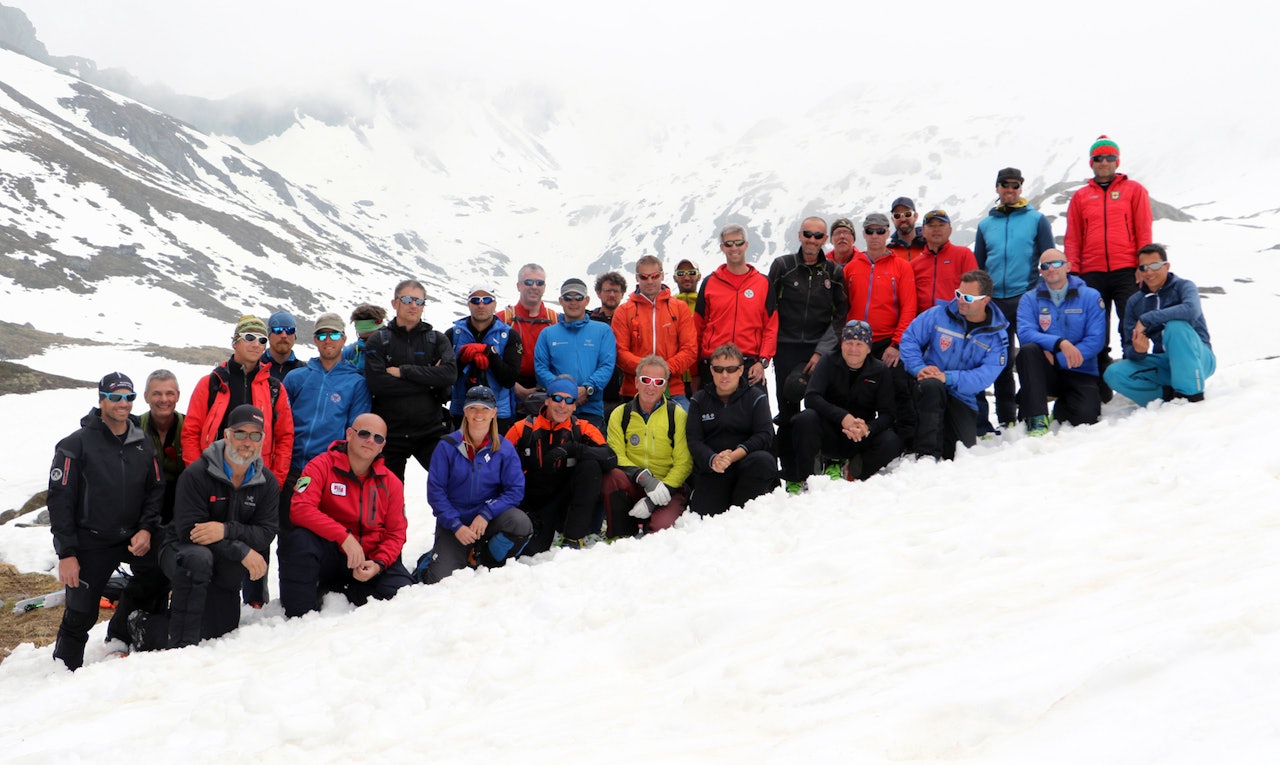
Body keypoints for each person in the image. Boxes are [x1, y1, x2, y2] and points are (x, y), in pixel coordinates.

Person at [48, 373, 163, 669]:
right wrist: (67, 553)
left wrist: (146, 529)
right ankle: (64, 667)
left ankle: (121, 634)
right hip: (91, 540)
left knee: (160, 572)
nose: (123, 403)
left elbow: (155, 490)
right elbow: (60, 502)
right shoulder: (76, 445)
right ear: (101, 400)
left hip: (131, 537)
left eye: (129, 397)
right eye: (115, 397)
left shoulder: (143, 441)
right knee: (81, 611)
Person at [159, 405, 278, 648]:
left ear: (262, 440)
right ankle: (180, 647)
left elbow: (265, 533)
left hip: (225, 560)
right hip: (181, 551)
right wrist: (242, 550)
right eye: (240, 433)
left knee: (220, 632)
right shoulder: (197, 474)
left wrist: (226, 531)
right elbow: (190, 531)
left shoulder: (267, 481)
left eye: (255, 435)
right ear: (227, 435)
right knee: (198, 559)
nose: (247, 441)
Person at [280, 413, 413, 615]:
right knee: (298, 539)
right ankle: (301, 615)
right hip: (329, 555)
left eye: (378, 438)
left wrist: (378, 563)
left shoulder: (391, 483)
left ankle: (348, 592)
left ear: (382, 446)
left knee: (404, 596)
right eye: (364, 434)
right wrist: (343, 536)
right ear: (349, 434)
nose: (370, 441)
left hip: (367, 559)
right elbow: (300, 509)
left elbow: (396, 533)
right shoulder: (320, 466)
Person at [1064, 135, 1154, 401]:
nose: (1104, 162)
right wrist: (1074, 274)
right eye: (1098, 158)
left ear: (1117, 161)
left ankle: (1135, 381)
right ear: (1091, 162)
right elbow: (1073, 237)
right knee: (1095, 331)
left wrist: (1143, 265)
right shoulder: (1081, 197)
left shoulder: (1134, 190)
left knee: (1131, 326)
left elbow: (1144, 230)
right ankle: (1099, 387)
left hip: (1127, 270)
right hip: (1091, 273)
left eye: (1109, 158)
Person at [423, 386, 533, 583]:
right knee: (438, 580)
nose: (479, 414)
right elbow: (435, 492)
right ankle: (432, 558)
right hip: (454, 525)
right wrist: (456, 525)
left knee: (520, 523)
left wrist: (486, 513)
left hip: (487, 521)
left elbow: (515, 490)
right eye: (473, 408)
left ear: (494, 412)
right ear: (465, 411)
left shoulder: (503, 448)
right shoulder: (447, 446)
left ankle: (485, 558)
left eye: (485, 408)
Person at [974, 168, 1056, 428]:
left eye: (1015, 185)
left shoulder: (1036, 220)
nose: (1010, 190)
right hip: (995, 301)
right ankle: (1006, 419)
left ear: (1021, 188)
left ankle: (1034, 413)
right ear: (997, 188)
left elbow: (1049, 258)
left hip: (1027, 297)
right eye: (1004, 185)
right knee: (1001, 359)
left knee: (1032, 355)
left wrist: (1042, 294)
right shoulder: (986, 225)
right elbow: (979, 266)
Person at [768, 216, 848, 482]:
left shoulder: (835, 272)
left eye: (818, 236)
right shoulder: (782, 266)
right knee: (789, 409)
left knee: (825, 405)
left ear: (825, 240)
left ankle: (831, 460)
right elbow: (769, 309)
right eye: (808, 234)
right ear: (800, 235)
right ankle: (792, 473)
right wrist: (770, 349)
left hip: (821, 350)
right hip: (786, 348)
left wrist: (821, 351)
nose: (812, 240)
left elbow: (841, 316)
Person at [900, 271, 1009, 461]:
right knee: (932, 387)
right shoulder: (938, 314)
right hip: (928, 386)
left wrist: (948, 377)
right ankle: (926, 455)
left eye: (967, 297)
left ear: (985, 300)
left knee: (957, 451)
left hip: (962, 397)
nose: (960, 300)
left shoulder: (997, 337)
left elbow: (984, 377)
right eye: (958, 294)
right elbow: (909, 339)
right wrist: (919, 367)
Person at [506, 375, 617, 551]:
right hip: (533, 501)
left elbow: (610, 457)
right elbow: (501, 467)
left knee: (591, 465)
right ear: (548, 400)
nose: (562, 405)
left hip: (566, 502)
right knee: (532, 551)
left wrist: (573, 449)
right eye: (557, 398)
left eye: (569, 400)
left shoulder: (581, 428)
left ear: (575, 405)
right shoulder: (523, 429)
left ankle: (573, 536)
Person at [182, 314, 294, 488]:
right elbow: (191, 433)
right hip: (212, 475)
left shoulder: (275, 389)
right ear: (235, 342)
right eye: (249, 337)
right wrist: (198, 475)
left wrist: (274, 482)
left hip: (256, 479)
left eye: (262, 340)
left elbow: (285, 438)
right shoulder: (211, 383)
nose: (256, 344)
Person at [789, 321, 902, 490]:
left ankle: (854, 471)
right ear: (842, 344)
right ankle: (807, 477)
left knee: (892, 441)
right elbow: (811, 397)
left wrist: (868, 428)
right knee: (805, 419)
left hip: (858, 435)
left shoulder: (879, 370)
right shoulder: (828, 360)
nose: (853, 349)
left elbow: (888, 414)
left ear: (869, 347)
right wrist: (843, 417)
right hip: (829, 430)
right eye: (849, 343)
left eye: (859, 344)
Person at [116, 369, 185, 643]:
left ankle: (155, 626)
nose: (163, 399)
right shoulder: (133, 429)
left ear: (178, 396)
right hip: (143, 510)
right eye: (157, 393)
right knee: (150, 570)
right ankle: (123, 631)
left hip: (182, 507)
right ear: (145, 397)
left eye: (169, 393)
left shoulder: (189, 427)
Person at [364, 279, 457, 481]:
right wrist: (430, 379)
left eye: (419, 301)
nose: (413, 305)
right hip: (390, 436)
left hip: (431, 432)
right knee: (387, 501)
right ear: (394, 303)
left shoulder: (438, 339)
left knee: (454, 486)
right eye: (406, 299)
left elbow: (449, 374)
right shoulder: (378, 340)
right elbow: (378, 384)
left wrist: (404, 371)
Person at [842, 212, 918, 448]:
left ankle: (906, 442)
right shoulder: (851, 268)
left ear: (888, 233)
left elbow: (909, 307)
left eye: (881, 231)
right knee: (855, 395)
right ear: (863, 234)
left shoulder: (902, 267)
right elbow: (843, 307)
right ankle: (857, 443)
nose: (875, 236)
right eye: (870, 231)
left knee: (898, 390)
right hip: (856, 343)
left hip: (887, 340)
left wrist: (896, 344)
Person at [1104, 244, 1215, 406]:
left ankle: (1191, 396)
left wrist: (1147, 319)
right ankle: (1167, 395)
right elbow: (1128, 347)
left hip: (1197, 358)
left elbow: (1191, 310)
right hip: (1164, 362)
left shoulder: (1183, 287)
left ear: (1166, 266)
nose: (1149, 272)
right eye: (1143, 267)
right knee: (1114, 373)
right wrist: (1138, 351)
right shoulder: (1135, 302)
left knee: (1176, 326)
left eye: (1155, 266)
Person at [601, 356, 693, 538]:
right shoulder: (620, 414)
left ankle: (652, 527)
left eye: (658, 382)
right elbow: (616, 454)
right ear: (636, 382)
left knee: (661, 532)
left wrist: (656, 496)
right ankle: (621, 533)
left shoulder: (677, 415)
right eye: (645, 380)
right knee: (612, 476)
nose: (651, 387)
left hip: (668, 487)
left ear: (665, 386)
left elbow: (684, 462)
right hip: (634, 482)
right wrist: (643, 478)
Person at [1015, 250, 1107, 432]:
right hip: (1047, 371)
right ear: (1040, 271)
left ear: (1068, 266)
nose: (1051, 269)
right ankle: (1036, 418)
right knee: (1028, 351)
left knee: (1084, 419)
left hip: (1081, 369)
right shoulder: (1029, 299)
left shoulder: (1090, 296)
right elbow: (1025, 333)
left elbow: (1095, 339)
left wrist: (1059, 358)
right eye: (1045, 266)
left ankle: (1063, 406)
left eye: (1056, 263)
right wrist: (1059, 343)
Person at [686, 344, 778, 516]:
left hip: (747, 466)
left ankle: (745, 510)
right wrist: (713, 460)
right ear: (711, 370)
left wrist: (735, 454)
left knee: (763, 461)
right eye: (719, 369)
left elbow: (765, 435)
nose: (725, 375)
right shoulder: (699, 400)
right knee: (703, 516)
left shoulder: (756, 397)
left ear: (741, 370)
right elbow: (694, 440)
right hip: (715, 468)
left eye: (731, 369)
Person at [694, 224, 778, 388]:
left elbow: (771, 327)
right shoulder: (710, 282)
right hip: (714, 364)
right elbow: (698, 326)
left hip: (750, 365)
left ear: (746, 245)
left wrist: (763, 361)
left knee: (756, 413)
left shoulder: (763, 283)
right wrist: (696, 370)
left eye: (738, 243)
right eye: (728, 244)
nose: (734, 248)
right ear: (722, 248)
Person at [611, 255, 698, 409]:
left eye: (654, 276)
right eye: (644, 277)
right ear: (637, 278)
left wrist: (664, 370)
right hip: (634, 391)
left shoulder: (679, 308)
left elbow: (690, 349)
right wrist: (647, 373)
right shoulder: (623, 311)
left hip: (673, 390)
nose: (650, 281)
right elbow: (620, 352)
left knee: (687, 429)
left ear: (662, 276)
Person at [533, 279, 617, 430]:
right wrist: (566, 392)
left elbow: (606, 365)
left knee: (593, 453)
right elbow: (541, 369)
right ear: (561, 301)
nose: (573, 302)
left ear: (587, 300)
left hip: (591, 410)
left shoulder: (603, 331)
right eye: (568, 298)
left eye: (578, 297)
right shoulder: (547, 334)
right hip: (558, 411)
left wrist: (588, 388)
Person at [446, 284, 523, 433]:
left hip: (497, 413)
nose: (481, 305)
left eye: (486, 300)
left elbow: (509, 379)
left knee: (494, 455)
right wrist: (462, 360)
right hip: (461, 411)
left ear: (494, 304)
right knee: (461, 455)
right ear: (468, 304)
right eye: (475, 300)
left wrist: (490, 354)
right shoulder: (453, 334)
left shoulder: (509, 336)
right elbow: (446, 378)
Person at [501, 263, 559, 401]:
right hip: (508, 388)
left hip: (547, 389)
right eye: (528, 282)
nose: (534, 286)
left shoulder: (556, 319)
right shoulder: (503, 319)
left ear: (544, 287)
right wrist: (513, 386)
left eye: (539, 283)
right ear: (518, 286)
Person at [912, 209, 979, 314]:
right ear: (923, 231)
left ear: (950, 230)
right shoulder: (914, 264)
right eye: (931, 226)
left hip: (955, 320)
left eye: (941, 225)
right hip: (923, 322)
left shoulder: (963, 255)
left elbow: (974, 290)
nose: (936, 229)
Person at [590, 271, 628, 419]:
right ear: (599, 293)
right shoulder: (589, 321)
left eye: (616, 291)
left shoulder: (630, 320)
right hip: (596, 394)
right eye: (607, 290)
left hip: (624, 393)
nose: (612, 295)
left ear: (622, 294)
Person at [672, 259, 702, 393]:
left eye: (691, 272)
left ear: (698, 276)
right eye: (681, 273)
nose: (686, 277)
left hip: (702, 374)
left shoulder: (706, 303)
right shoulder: (669, 305)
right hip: (674, 375)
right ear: (674, 278)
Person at [342, 303, 388, 374]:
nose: (369, 343)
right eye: (364, 340)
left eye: (373, 338)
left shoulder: (398, 350)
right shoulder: (351, 352)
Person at [264, 311, 306, 382]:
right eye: (278, 330)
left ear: (295, 336)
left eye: (290, 330)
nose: (284, 335)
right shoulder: (254, 367)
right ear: (269, 334)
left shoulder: (304, 372)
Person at [887, 197, 926, 262]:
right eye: (897, 215)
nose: (903, 219)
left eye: (908, 214)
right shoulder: (888, 252)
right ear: (892, 219)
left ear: (916, 216)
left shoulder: (929, 246)